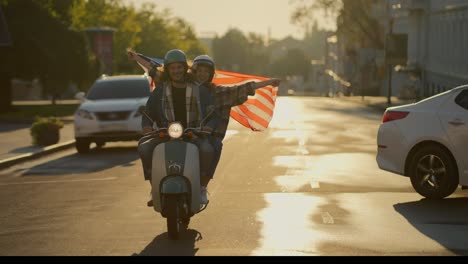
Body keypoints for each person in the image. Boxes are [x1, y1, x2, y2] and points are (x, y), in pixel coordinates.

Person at [136, 49, 220, 206]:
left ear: (185, 68)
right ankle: (154, 188)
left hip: (194, 133)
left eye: (179, 67)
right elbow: (148, 112)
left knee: (208, 149)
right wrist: (146, 126)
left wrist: (209, 126)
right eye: (172, 68)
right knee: (144, 148)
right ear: (167, 70)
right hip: (165, 133)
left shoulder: (198, 88)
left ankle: (201, 187)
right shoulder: (160, 89)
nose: (176, 71)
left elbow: (213, 113)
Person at [190, 55, 281, 190]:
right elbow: (162, 73)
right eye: (199, 71)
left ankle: (203, 185)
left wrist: (268, 82)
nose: (202, 74)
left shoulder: (217, 92)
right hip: (183, 133)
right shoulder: (183, 88)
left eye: (206, 71)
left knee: (215, 147)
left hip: (208, 136)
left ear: (210, 74)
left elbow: (243, 88)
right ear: (194, 72)